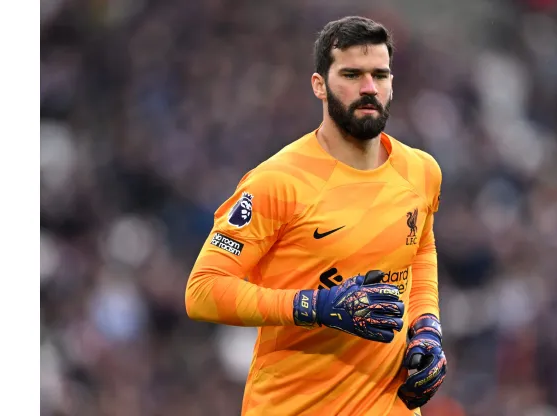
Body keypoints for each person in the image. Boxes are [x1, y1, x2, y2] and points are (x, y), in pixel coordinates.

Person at [185, 16, 446, 416]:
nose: (368, 88)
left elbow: (420, 247)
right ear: (319, 85)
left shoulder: (421, 171)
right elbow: (202, 291)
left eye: (380, 74)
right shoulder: (277, 182)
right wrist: (315, 307)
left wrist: (427, 325)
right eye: (351, 74)